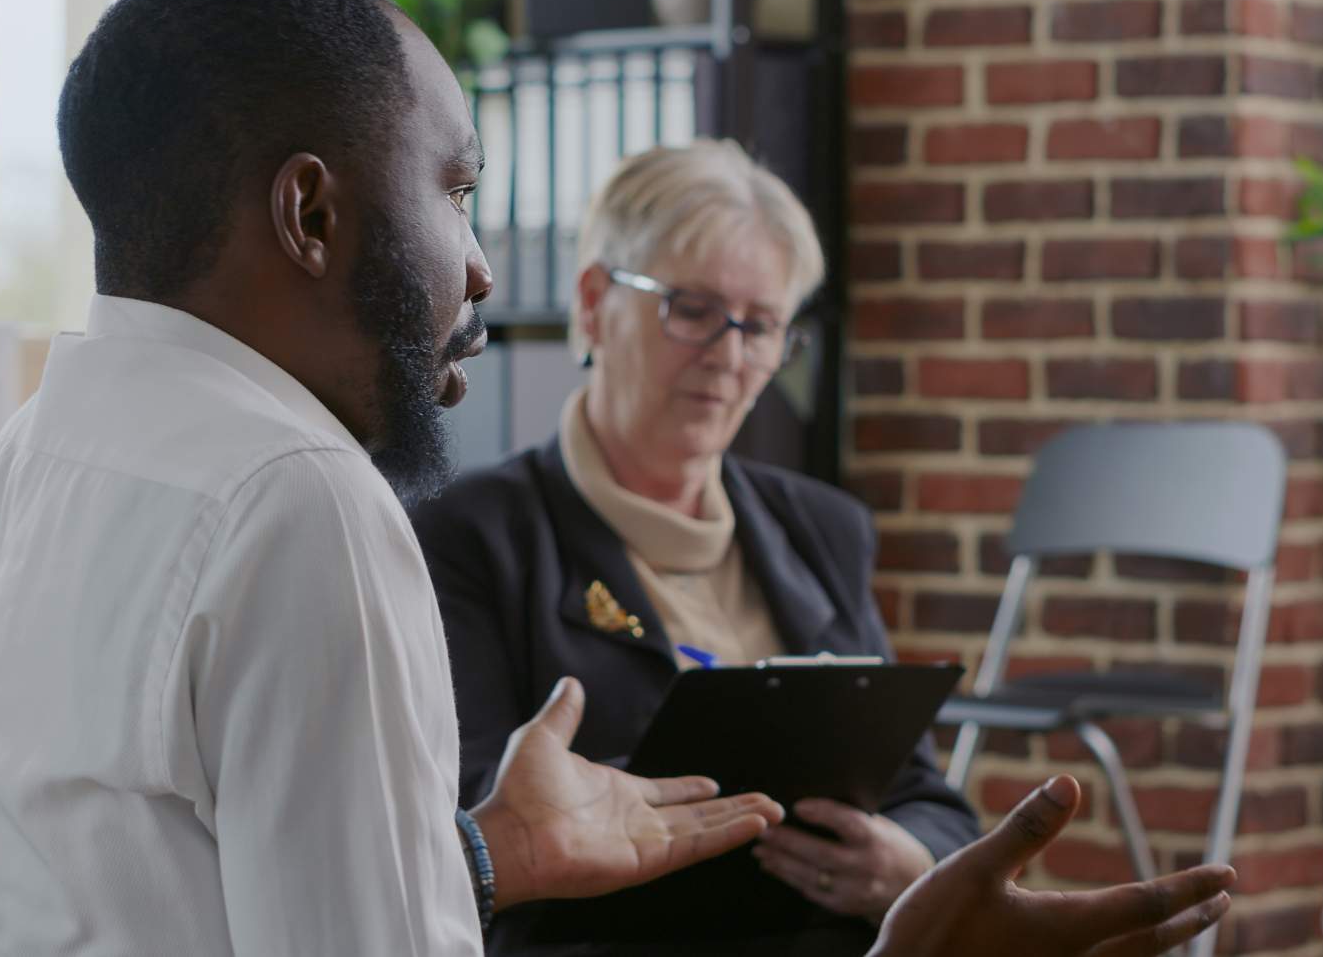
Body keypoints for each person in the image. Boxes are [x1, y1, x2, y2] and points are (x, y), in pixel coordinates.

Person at [0, 0, 1234, 956]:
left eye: (763, 326)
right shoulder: (299, 500)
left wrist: (491, 853)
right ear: (313, 211)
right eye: (457, 189)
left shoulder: (43, 447)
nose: (481, 267)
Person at [413, 141, 977, 955]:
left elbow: (928, 798)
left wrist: (906, 864)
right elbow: (464, 833)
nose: (730, 353)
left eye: (763, 325)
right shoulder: (472, 538)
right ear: (594, 302)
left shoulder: (822, 530)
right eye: (693, 308)